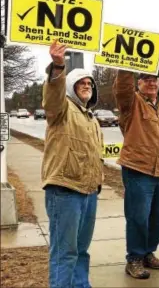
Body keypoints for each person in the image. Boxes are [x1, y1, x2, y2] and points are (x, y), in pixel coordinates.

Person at [41, 40, 104, 288]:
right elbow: (52, 98)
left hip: (89, 193)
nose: (86, 86)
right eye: (81, 83)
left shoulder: (91, 118)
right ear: (70, 86)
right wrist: (58, 66)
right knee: (64, 253)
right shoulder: (62, 110)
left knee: (81, 250)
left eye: (89, 83)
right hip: (65, 192)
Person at [113, 70, 159, 279]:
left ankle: (147, 252)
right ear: (139, 83)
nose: (151, 83)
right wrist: (125, 66)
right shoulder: (131, 102)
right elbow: (123, 88)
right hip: (137, 170)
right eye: (147, 80)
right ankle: (134, 258)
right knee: (138, 218)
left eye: (155, 80)